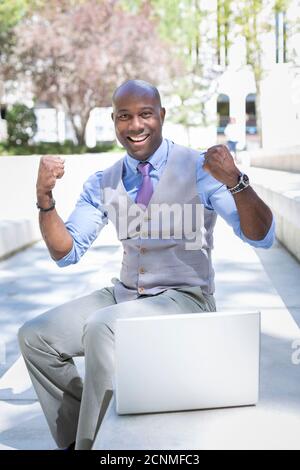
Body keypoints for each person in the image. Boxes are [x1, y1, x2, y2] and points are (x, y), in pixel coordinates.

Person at [18, 79, 275, 451]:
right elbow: (66, 252)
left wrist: (236, 182)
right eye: (125, 117)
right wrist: (45, 198)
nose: (135, 125)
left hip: (186, 296)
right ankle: (77, 439)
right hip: (125, 294)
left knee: (102, 327)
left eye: (145, 115)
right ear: (114, 121)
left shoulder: (201, 169)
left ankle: (93, 448)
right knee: (35, 336)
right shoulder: (103, 181)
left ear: (162, 116)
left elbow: (261, 236)